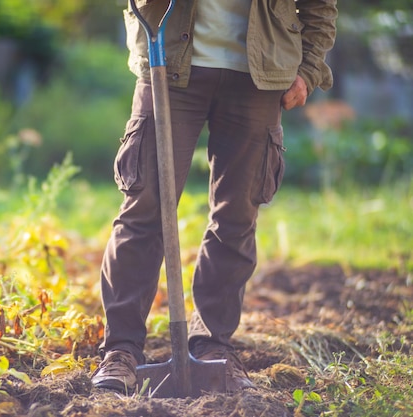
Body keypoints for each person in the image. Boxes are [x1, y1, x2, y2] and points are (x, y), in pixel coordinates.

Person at [91, 0, 337, 393]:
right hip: (169, 60)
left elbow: (319, 5)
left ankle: (212, 347)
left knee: (236, 218)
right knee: (145, 210)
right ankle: (121, 351)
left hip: (259, 74)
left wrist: (307, 68)